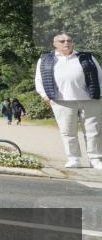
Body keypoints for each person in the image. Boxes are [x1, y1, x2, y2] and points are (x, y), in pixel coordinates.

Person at [35, 33, 102, 170]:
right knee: (67, 132)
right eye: (62, 41)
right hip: (61, 101)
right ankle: (74, 159)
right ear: (54, 44)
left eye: (69, 40)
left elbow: (100, 76)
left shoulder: (86, 57)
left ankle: (95, 160)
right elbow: (39, 79)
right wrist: (44, 96)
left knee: (93, 131)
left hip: (90, 99)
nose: (66, 43)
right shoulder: (45, 59)